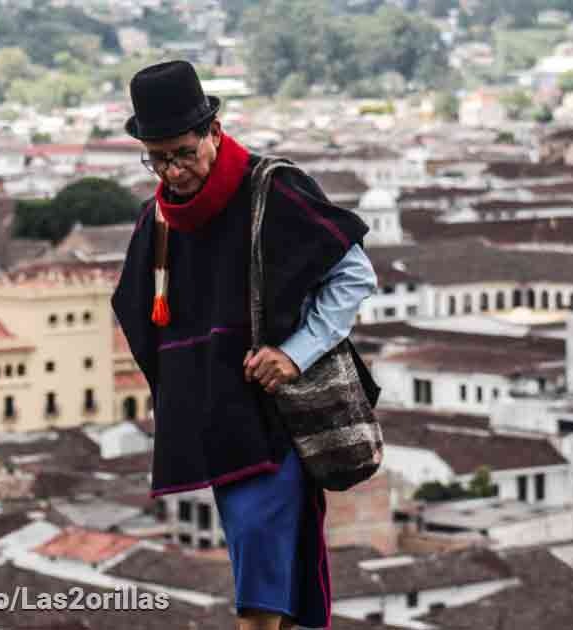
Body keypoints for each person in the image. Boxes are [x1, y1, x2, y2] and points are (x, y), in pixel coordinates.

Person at [111, 60, 379, 630]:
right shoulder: (156, 219)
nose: (172, 171)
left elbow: (353, 274)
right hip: (215, 422)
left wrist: (294, 352)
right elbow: (136, 310)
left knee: (259, 570)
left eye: (183, 152)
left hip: (272, 414)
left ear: (214, 129)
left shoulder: (273, 191)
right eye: (156, 158)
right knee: (268, 561)